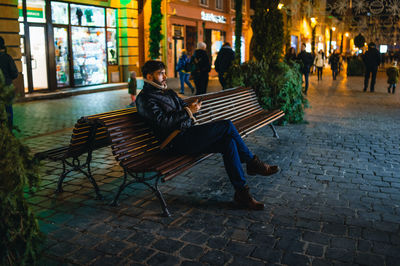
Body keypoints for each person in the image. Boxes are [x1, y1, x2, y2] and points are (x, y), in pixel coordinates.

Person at [135, 60, 280, 210]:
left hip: (187, 134)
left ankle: (242, 194)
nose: (165, 76)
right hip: (174, 142)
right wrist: (188, 112)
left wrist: (191, 109)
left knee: (228, 142)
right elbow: (163, 122)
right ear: (149, 77)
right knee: (226, 126)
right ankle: (252, 163)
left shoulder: (168, 92)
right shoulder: (145, 99)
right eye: (160, 73)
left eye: (164, 72)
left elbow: (184, 108)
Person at [0, 36, 18, 131]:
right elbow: (15, 73)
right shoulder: (7, 58)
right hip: (7, 86)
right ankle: (9, 129)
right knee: (8, 108)